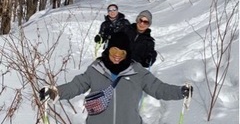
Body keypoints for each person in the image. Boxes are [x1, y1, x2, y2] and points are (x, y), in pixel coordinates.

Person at [39, 32, 193, 124]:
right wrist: (56, 92)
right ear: (108, 50)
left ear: (127, 54)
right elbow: (77, 85)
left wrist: (180, 92)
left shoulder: (137, 71)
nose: (117, 57)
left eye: (122, 53)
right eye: (114, 51)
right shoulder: (96, 69)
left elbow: (159, 89)